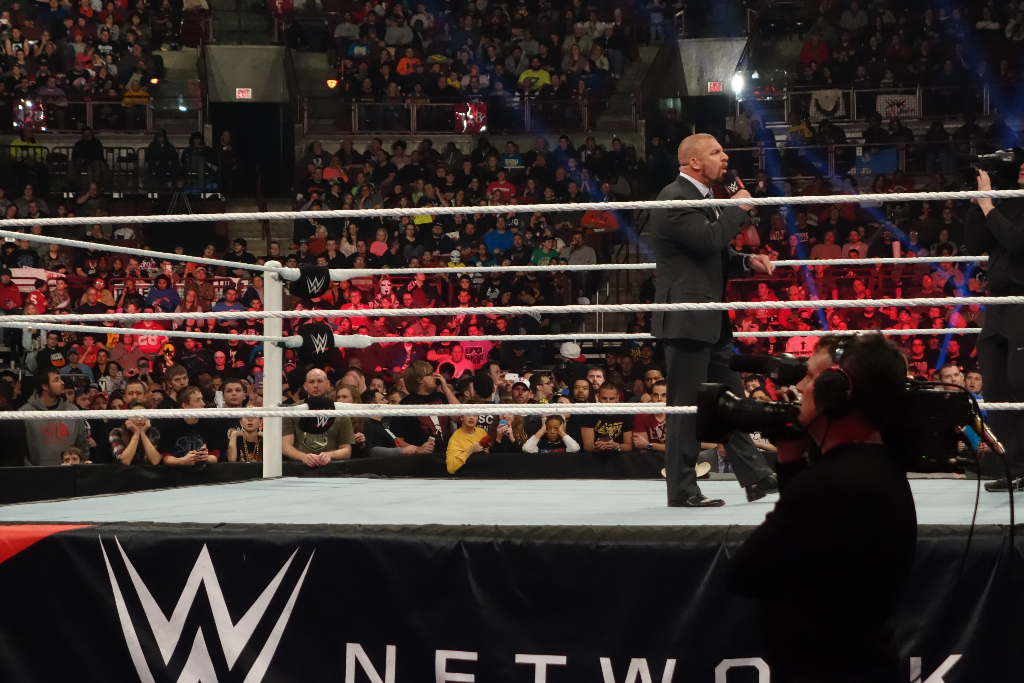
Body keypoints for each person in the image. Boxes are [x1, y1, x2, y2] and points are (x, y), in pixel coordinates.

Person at [726, 333, 916, 683]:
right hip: (862, 665)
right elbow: (816, 555)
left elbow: (742, 574)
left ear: (837, 392)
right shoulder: (880, 466)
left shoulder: (828, 484)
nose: (800, 386)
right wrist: (790, 461)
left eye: (812, 377)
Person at [650, 132, 777, 507]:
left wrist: (747, 262)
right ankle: (682, 489)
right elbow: (707, 240)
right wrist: (739, 206)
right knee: (686, 408)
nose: (725, 157)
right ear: (694, 162)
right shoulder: (674, 198)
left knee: (728, 401)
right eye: (716, 152)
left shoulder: (703, 199)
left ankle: (756, 476)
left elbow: (712, 253)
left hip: (710, 320)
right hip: (687, 318)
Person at [966, 166, 1024, 491]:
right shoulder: (1007, 203)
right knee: (996, 385)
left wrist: (988, 205)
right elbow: (973, 243)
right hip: (998, 301)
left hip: (1022, 299)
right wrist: (977, 205)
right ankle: (1013, 468)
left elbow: (1017, 243)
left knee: (1020, 380)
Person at [282, 368, 354, 467]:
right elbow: (285, 446)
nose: (315, 385)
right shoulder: (293, 410)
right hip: (299, 467)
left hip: (331, 467)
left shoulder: (339, 412)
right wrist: (304, 457)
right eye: (311, 382)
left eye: (319, 381)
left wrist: (329, 455)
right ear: (305, 386)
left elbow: (346, 450)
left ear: (328, 384)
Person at [18, 368, 90, 466]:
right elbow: (20, 453)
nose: (62, 383)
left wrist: (76, 470)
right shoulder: (24, 413)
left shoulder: (73, 411)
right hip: (36, 474)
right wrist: (32, 472)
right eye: (56, 380)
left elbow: (83, 448)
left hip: (68, 473)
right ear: (45, 386)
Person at [108, 400, 162, 465]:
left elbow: (155, 461)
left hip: (148, 471)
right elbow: (125, 461)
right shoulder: (116, 433)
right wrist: (136, 434)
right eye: (135, 415)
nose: (139, 419)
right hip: (123, 471)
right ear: (128, 417)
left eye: (143, 415)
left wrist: (143, 433)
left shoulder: (153, 432)